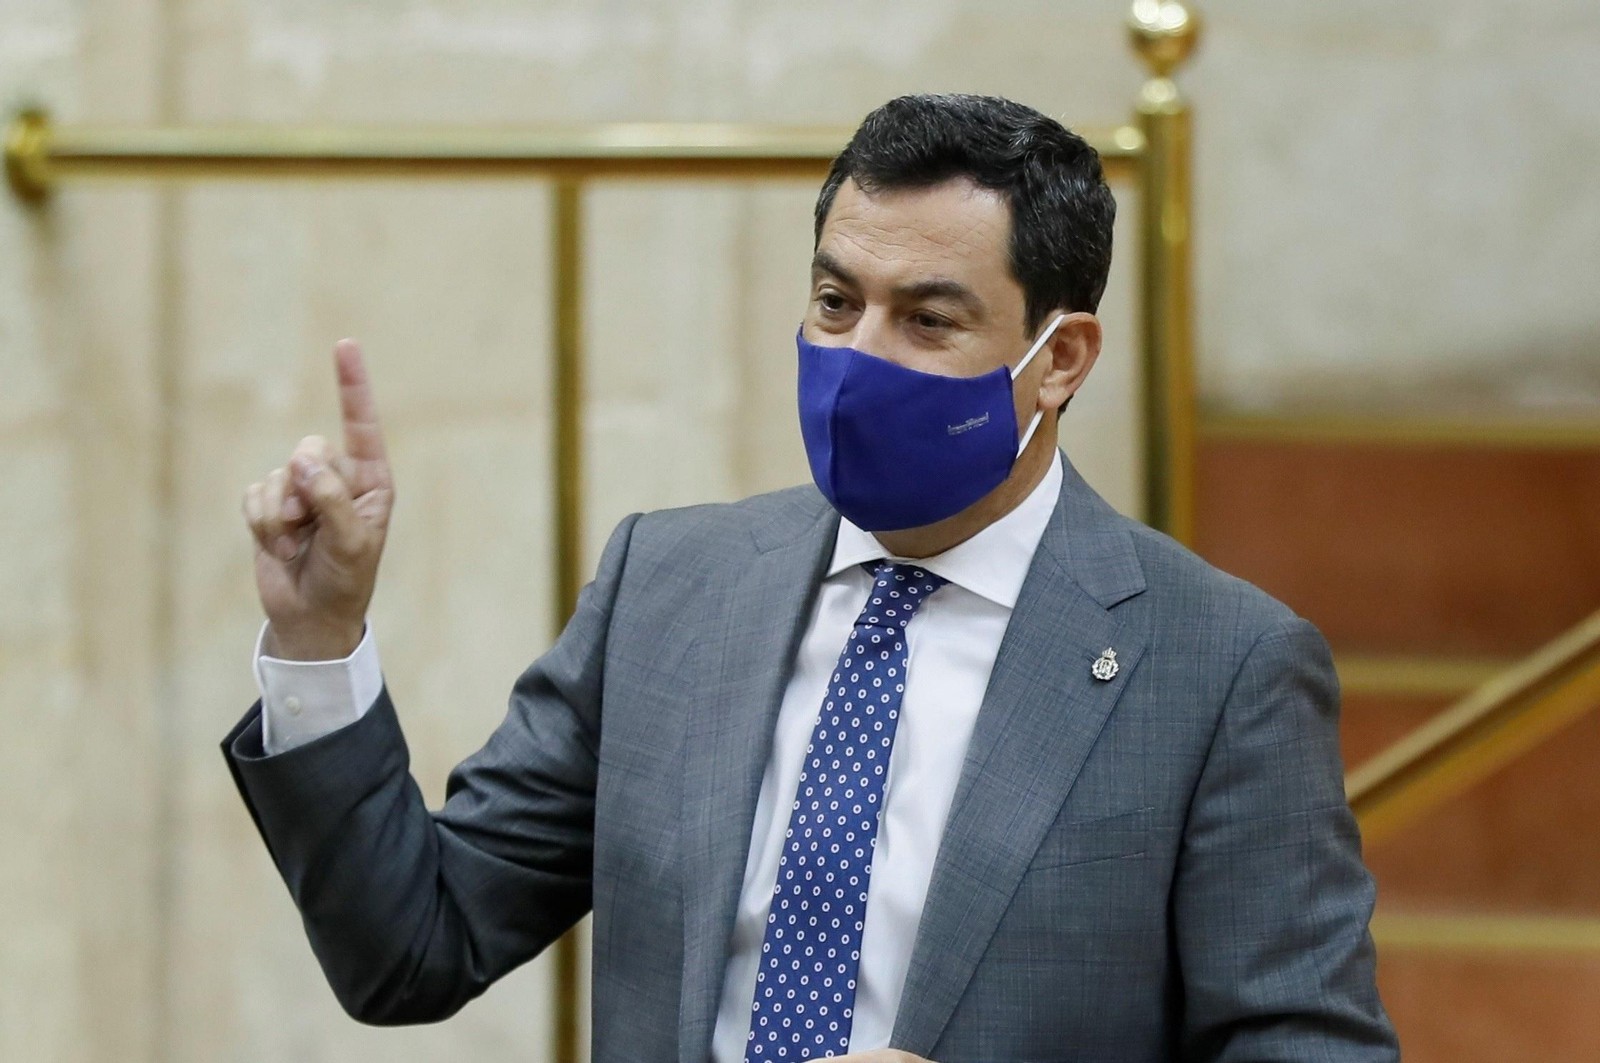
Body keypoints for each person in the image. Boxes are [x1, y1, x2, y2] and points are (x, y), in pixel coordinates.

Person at [225, 94, 1399, 1063]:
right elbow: (410, 951)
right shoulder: (668, 589)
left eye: (927, 321)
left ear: (1061, 360)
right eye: (835, 303)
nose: (854, 360)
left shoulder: (1219, 666)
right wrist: (321, 639)